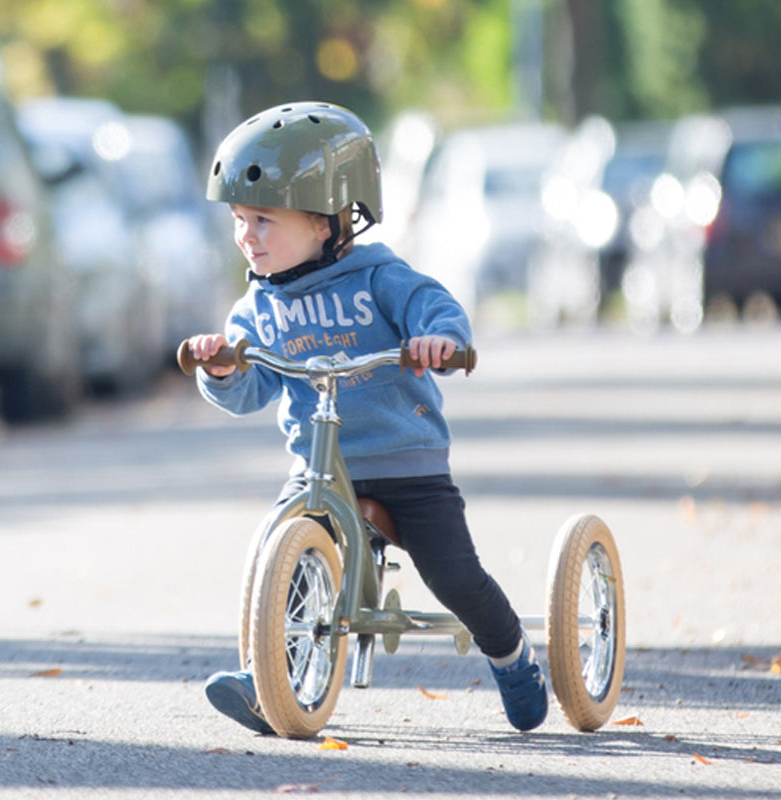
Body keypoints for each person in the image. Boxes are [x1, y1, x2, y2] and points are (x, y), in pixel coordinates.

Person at [186, 101, 548, 734]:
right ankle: (269, 680)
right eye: (241, 220)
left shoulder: (379, 276)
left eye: (265, 220)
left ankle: (513, 657)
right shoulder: (258, 305)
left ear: (328, 221)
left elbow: (435, 309)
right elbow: (253, 389)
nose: (248, 236)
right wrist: (222, 370)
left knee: (455, 577)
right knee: (280, 551)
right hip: (319, 467)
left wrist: (436, 340)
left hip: (404, 460)